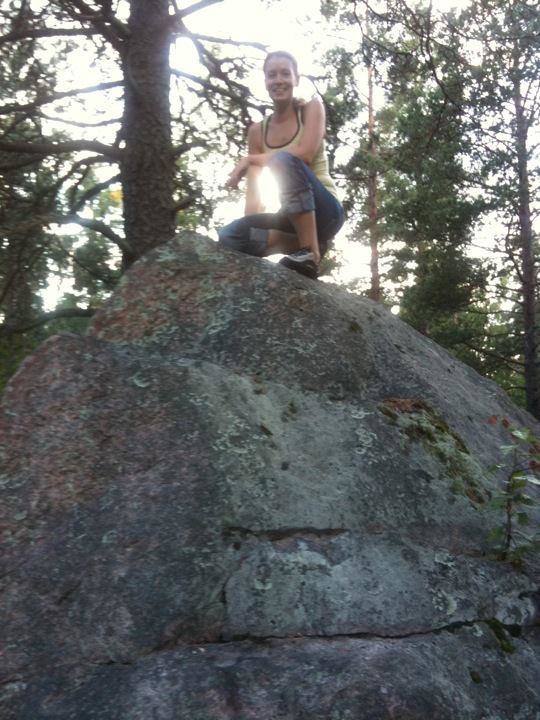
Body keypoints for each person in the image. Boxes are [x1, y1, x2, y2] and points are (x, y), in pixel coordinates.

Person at [218, 50, 345, 279]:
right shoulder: (257, 131)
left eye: (285, 74)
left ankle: (310, 253)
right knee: (231, 235)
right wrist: (249, 227)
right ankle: (296, 243)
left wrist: (250, 159)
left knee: (283, 160)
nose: (278, 80)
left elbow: (305, 154)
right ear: (265, 81)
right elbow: (254, 192)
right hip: (292, 217)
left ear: (296, 79)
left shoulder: (311, 108)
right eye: (272, 75)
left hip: (326, 212)